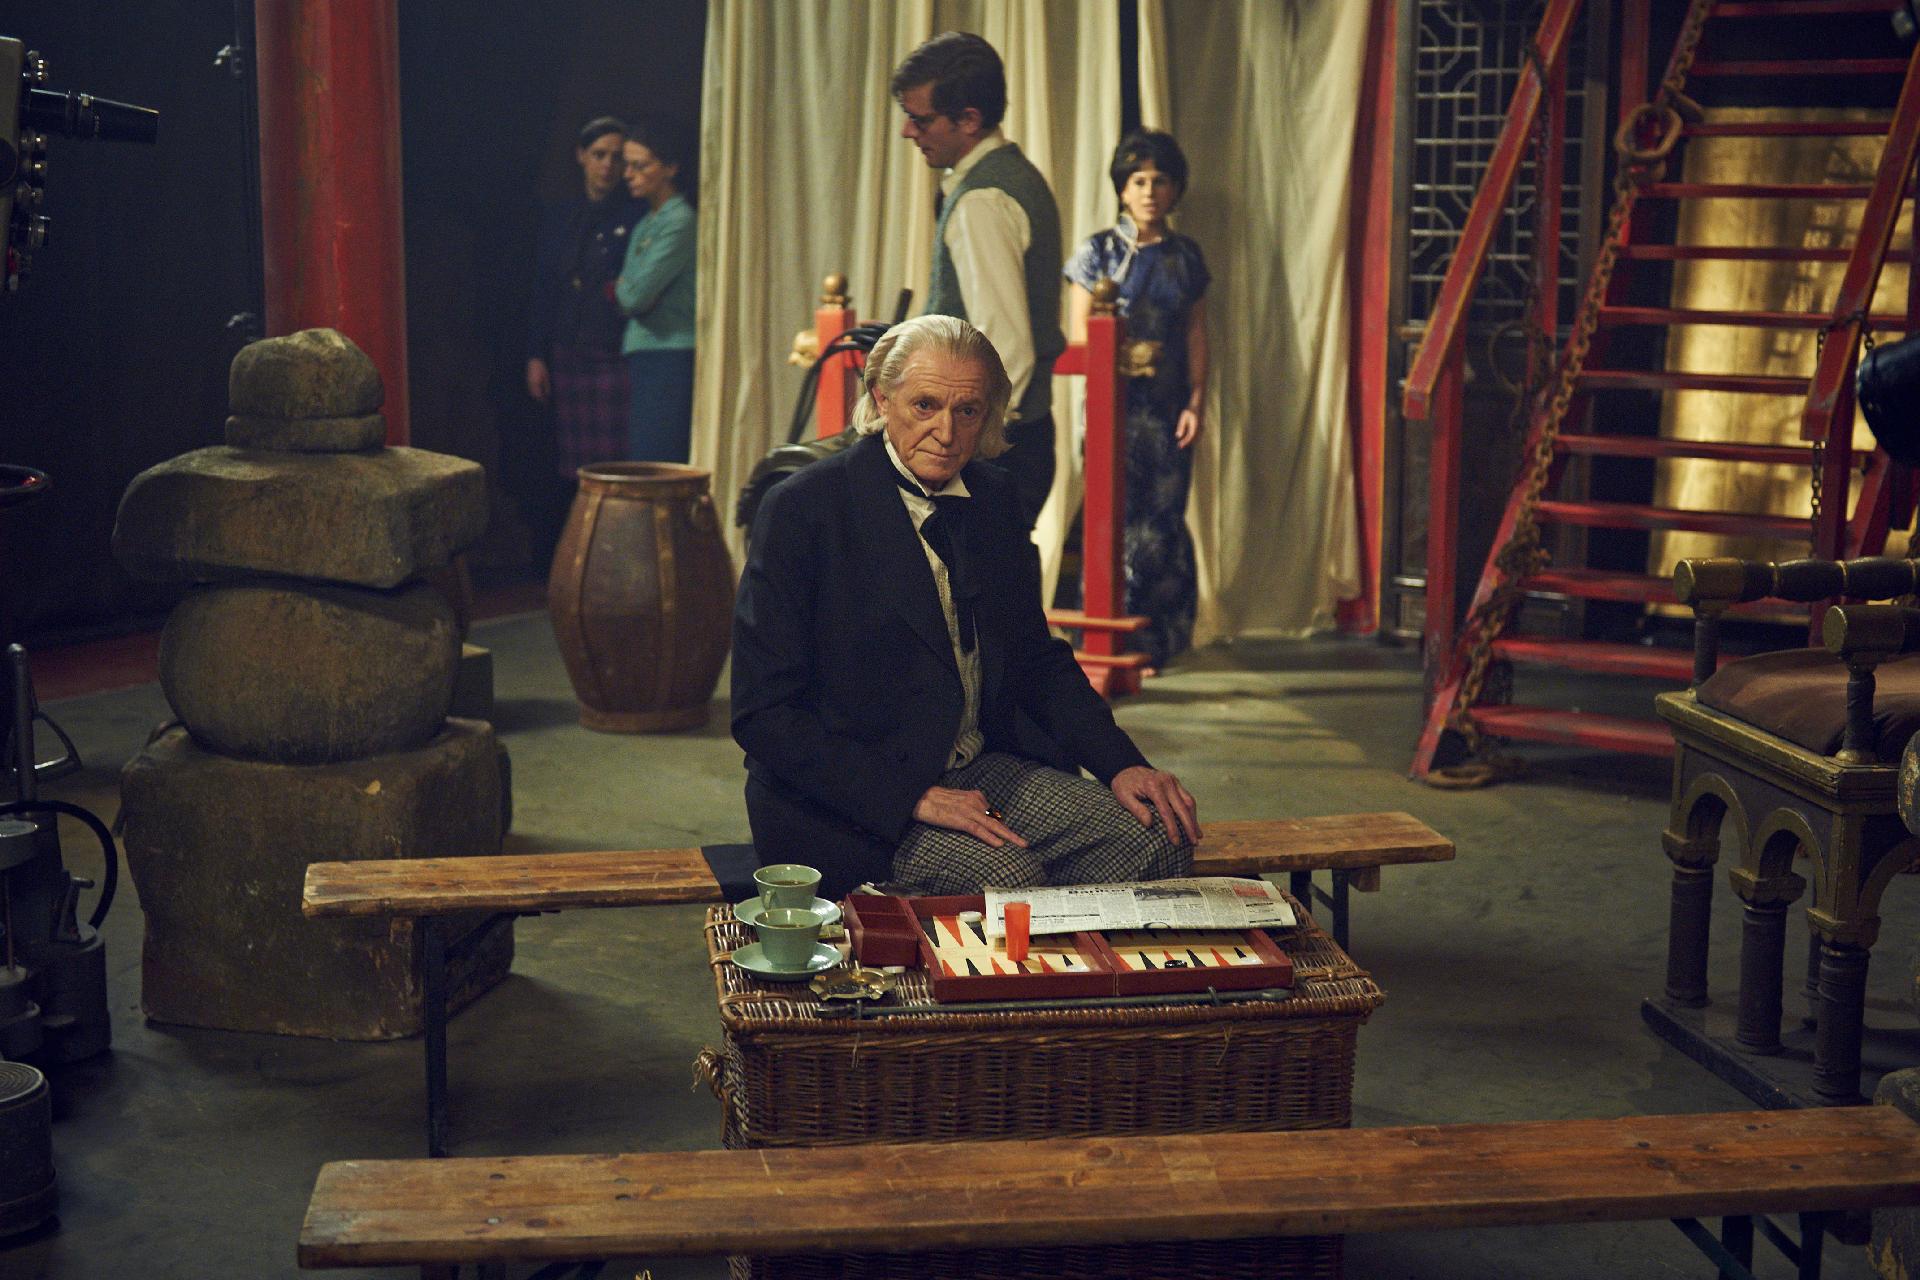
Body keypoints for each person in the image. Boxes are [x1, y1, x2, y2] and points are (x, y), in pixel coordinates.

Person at [732, 315, 1201, 899]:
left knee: (1158, 839)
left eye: (968, 410)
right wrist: (910, 796)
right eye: (925, 406)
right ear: (881, 400)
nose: (946, 432)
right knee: (1005, 882)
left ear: (990, 415)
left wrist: (1122, 764)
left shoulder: (993, 497)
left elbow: (1036, 659)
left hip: (976, 765)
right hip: (847, 795)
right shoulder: (802, 509)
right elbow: (763, 715)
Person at [891, 32, 1064, 532]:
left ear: (968, 119)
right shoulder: (1010, 176)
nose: (907, 131)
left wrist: (963, 456)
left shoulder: (982, 200)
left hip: (993, 453)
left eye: (921, 119)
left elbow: (1006, 350)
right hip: (1008, 447)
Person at [1065, 130, 1211, 669]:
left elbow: (1196, 333)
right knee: (1112, 517)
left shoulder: (1186, 257)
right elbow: (1078, 336)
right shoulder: (1097, 253)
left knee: (1162, 520)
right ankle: (1106, 637)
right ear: (1122, 189)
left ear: (1175, 190)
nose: (1150, 192)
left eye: (1160, 181)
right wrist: (1123, 356)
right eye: (1139, 181)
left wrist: (1197, 401)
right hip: (1113, 407)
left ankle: (1157, 641)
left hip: (1169, 409)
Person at [525, 116, 643, 552]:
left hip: (614, 352)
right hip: (568, 351)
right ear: (581, 156)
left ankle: (617, 554)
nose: (607, 166)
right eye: (599, 155)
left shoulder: (636, 217)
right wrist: (535, 354)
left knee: (618, 464)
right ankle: (575, 557)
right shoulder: (560, 217)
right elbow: (544, 287)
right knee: (573, 467)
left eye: (617, 157)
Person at [613, 119, 698, 463]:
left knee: (656, 457)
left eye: (641, 165)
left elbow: (634, 296)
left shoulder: (679, 220)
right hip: (647, 349)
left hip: (669, 350)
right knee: (643, 455)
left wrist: (623, 288)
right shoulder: (648, 222)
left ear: (670, 168)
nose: (628, 174)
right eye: (627, 165)